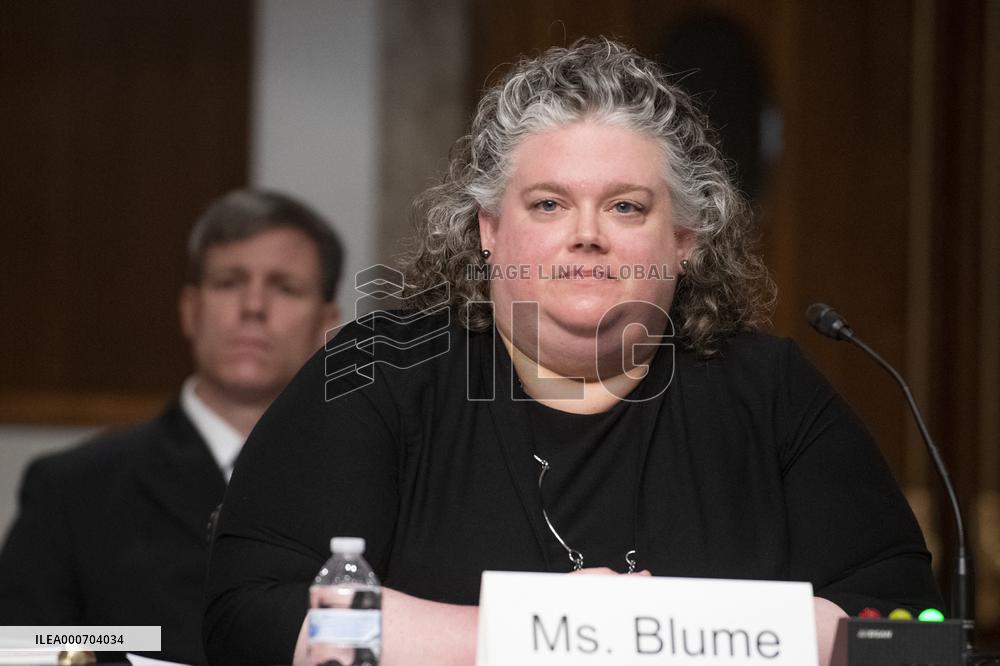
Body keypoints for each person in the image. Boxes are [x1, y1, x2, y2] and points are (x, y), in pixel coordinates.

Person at [203, 40, 941, 666]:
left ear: (684, 238)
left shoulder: (772, 392)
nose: (586, 234)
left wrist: (666, 634)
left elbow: (911, 635)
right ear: (489, 228)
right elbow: (251, 616)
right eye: (548, 203)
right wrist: (537, 632)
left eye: (626, 206)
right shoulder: (375, 374)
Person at [0, 190, 343, 664]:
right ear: (190, 309)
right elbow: (21, 648)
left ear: (328, 325)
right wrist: (121, 649)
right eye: (229, 282)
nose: (253, 307)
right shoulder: (72, 487)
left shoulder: (364, 482)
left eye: (285, 287)